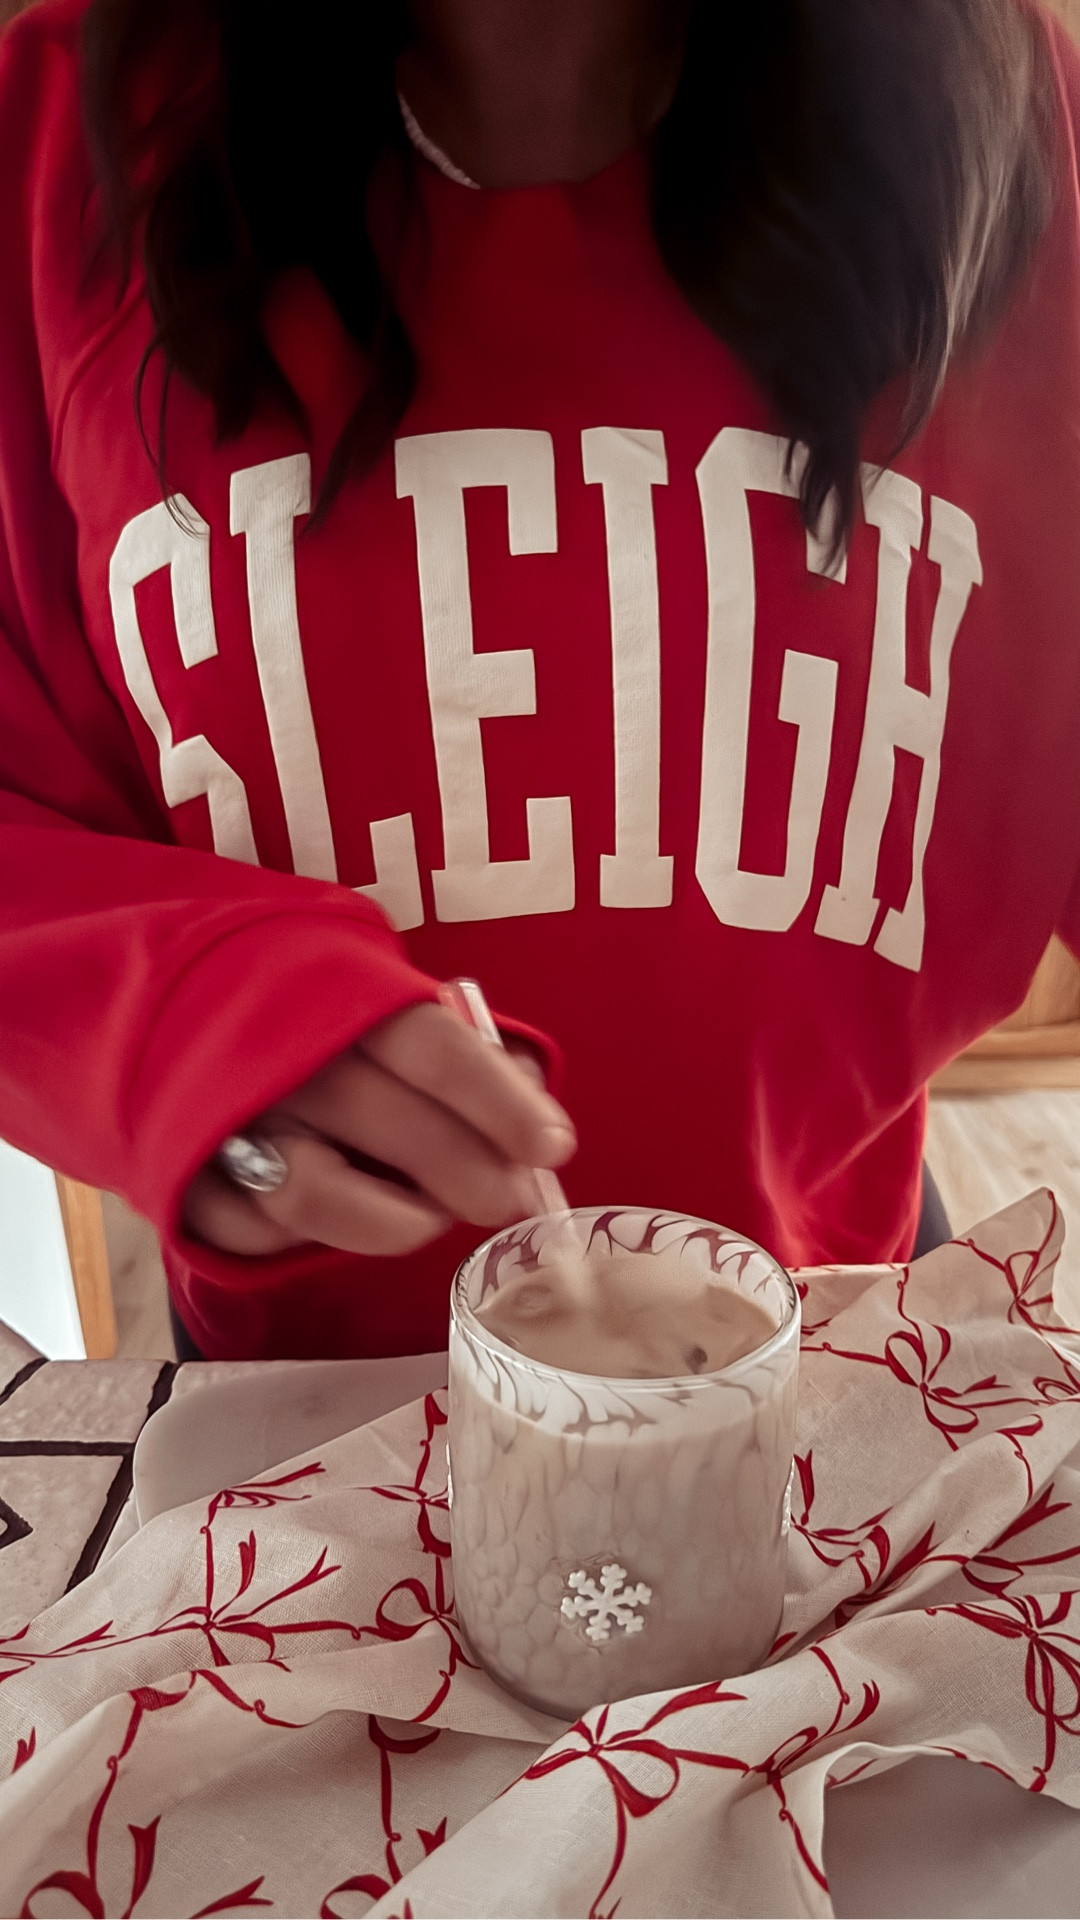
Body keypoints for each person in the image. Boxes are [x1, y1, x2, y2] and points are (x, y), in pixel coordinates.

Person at [0, 0, 1076, 1362]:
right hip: (308, 1421)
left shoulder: (1024, 135)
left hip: (839, 1345)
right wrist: (175, 1016)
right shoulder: (51, 142)